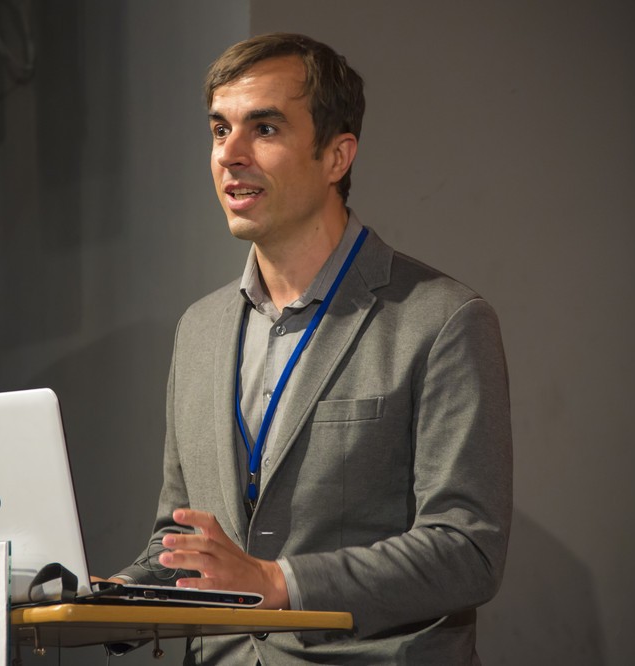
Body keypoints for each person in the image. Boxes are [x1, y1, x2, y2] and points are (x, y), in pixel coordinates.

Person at [111, 33, 512, 664]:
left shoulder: (442, 320)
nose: (230, 154)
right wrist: (113, 596)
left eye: (264, 128)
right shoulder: (199, 330)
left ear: (337, 157)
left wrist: (278, 582)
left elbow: (467, 551)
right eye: (220, 130)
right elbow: (180, 538)